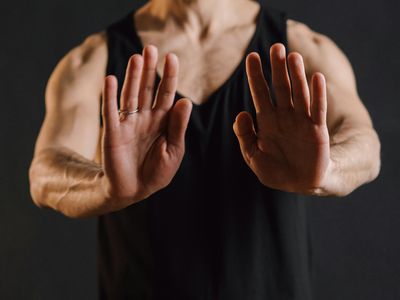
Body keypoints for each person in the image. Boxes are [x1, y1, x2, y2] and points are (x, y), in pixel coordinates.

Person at [28, 0, 381, 299]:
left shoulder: (305, 47)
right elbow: (45, 171)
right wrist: (103, 186)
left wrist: (327, 170)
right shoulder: (92, 60)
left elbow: (364, 143)